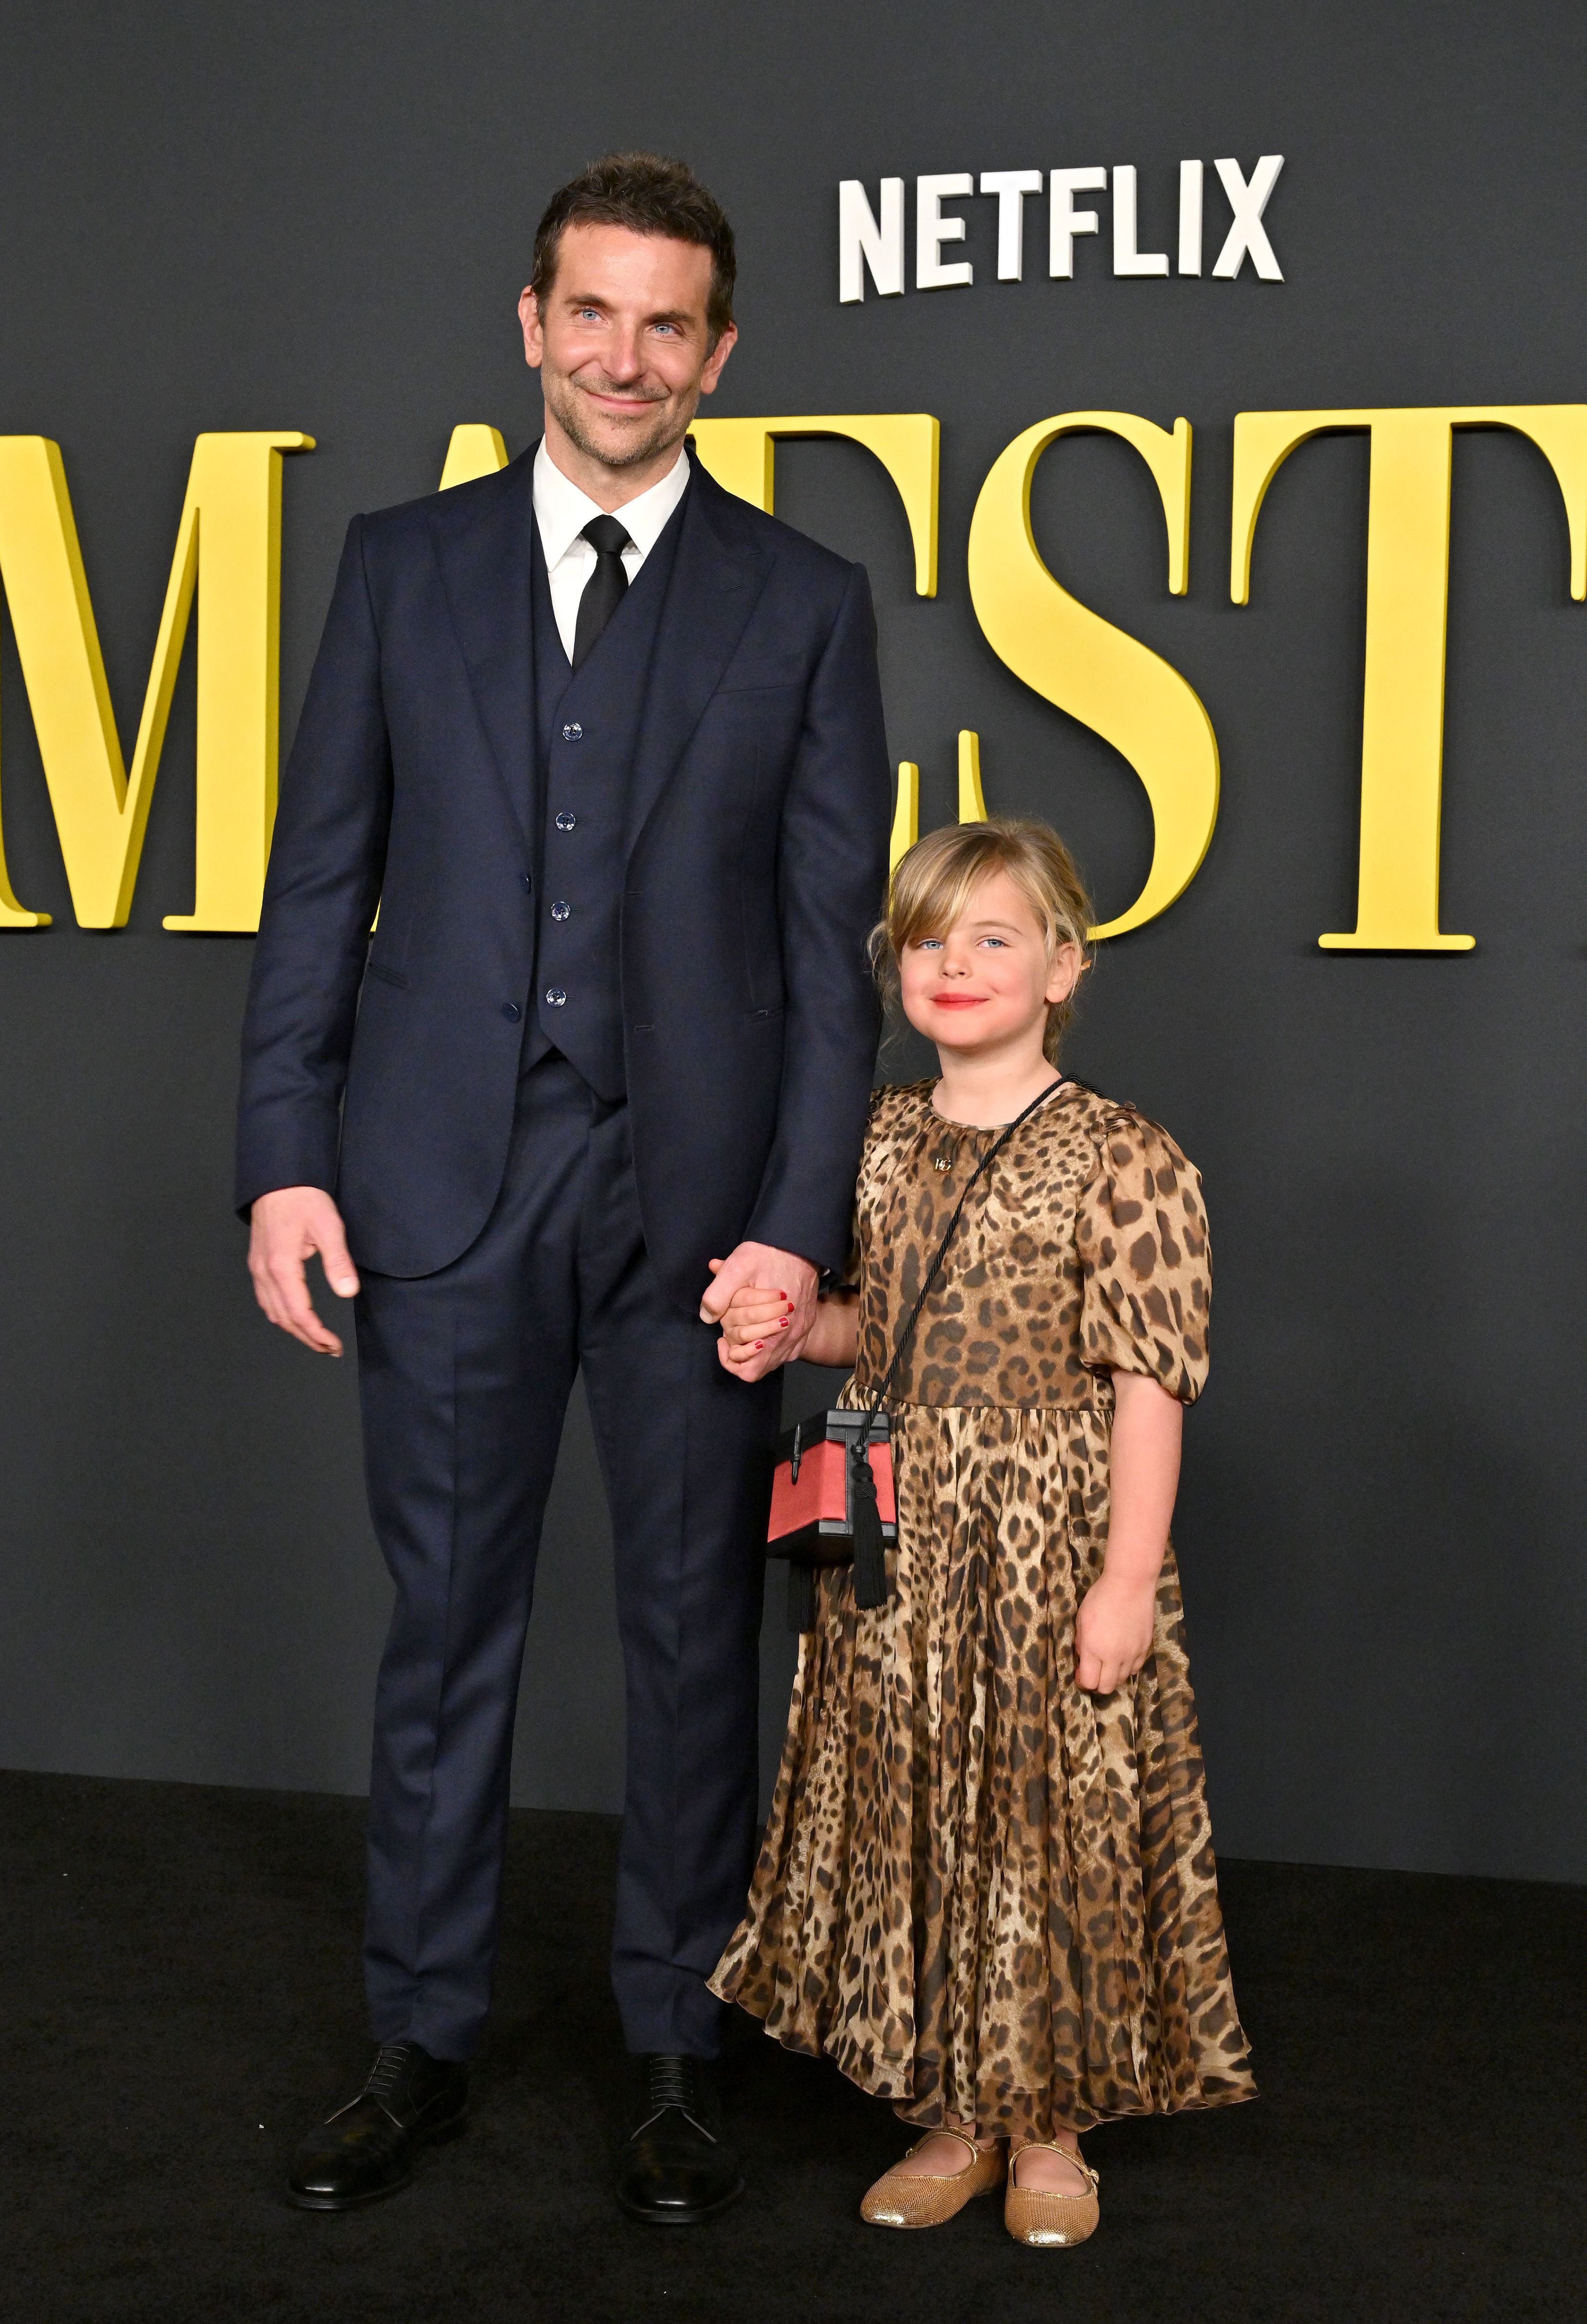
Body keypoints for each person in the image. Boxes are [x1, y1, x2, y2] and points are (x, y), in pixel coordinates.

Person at [234, 151, 891, 2221]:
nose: (625, 356)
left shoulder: (803, 603)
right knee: (446, 1629)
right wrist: (283, 1160)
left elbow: (822, 956)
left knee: (703, 1638)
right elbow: (316, 884)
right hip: (437, 1183)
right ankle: (420, 2034)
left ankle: (676, 2050)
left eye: (666, 324)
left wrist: (796, 1223)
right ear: (531, 324)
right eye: (589, 313)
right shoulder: (395, 567)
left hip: (699, 1210)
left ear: (720, 354)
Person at [710, 817, 1255, 2245]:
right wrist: (786, 1333)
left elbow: (1149, 1388)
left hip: (1047, 1545)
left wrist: (1123, 1579)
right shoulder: (873, 1132)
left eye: (992, 937)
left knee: (1040, 1828)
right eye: (927, 940)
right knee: (913, 1814)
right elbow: (867, 1329)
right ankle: (952, 2116)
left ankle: (1049, 2130)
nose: (954, 964)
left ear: (1063, 966)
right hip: (898, 1548)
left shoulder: (1123, 1157)